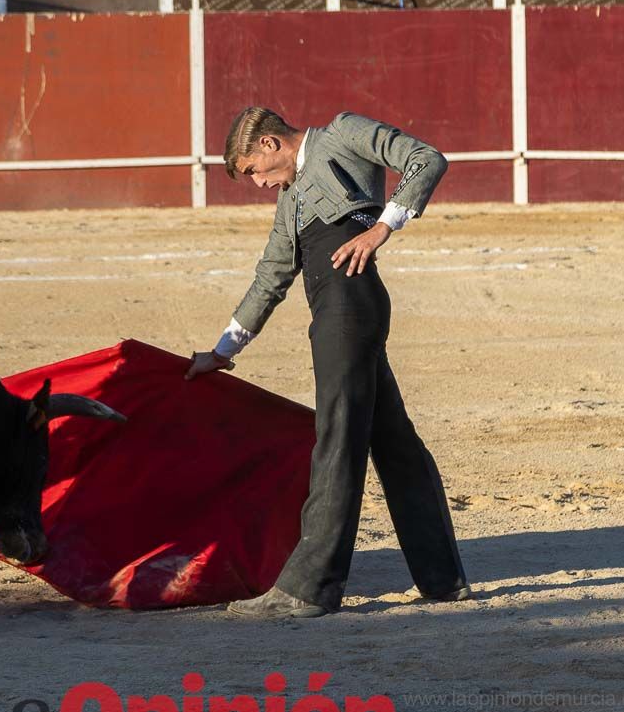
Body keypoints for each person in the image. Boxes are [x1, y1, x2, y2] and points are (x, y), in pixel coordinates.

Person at [186, 107, 470, 619]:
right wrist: (223, 351)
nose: (257, 182)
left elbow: (426, 159)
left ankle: (310, 587)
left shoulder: (342, 134)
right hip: (337, 313)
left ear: (271, 144)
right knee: (394, 443)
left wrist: (381, 229)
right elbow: (272, 274)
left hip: (348, 309)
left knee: (337, 440)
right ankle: (443, 579)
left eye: (254, 169)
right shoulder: (289, 197)